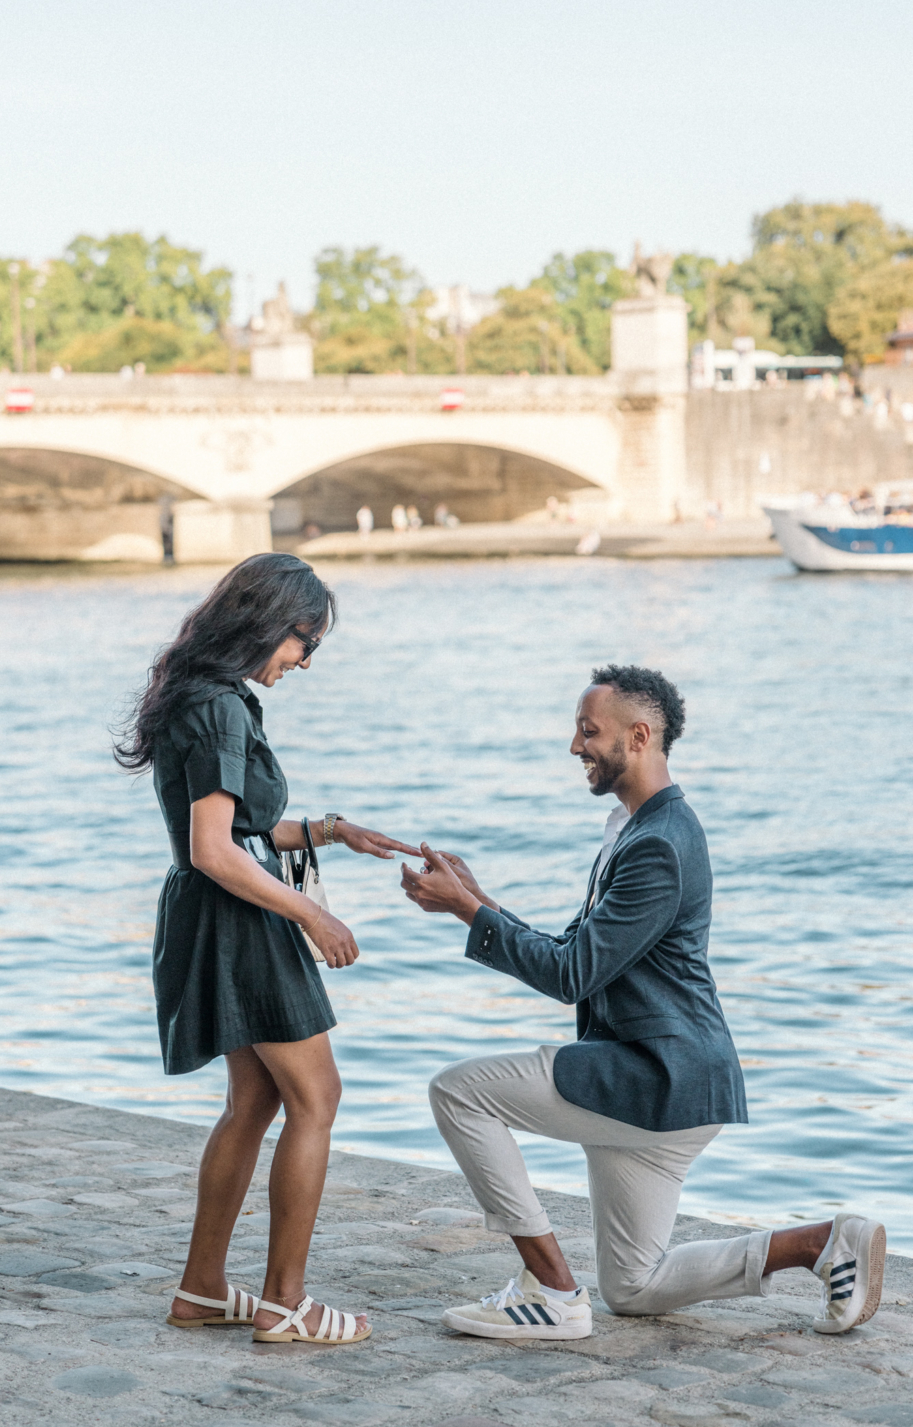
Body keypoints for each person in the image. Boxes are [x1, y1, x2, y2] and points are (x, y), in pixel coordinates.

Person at [402, 664, 885, 1341]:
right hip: (669, 1084)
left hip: (655, 1073)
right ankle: (821, 1243)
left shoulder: (657, 844)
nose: (575, 746)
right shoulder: (634, 830)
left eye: (587, 731)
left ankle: (549, 1287)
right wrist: (477, 900)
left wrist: (467, 916)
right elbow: (580, 952)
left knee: (459, 1093)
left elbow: (572, 974)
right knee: (634, 1288)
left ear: (638, 735)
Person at [116, 552, 420, 1345]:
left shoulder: (200, 695)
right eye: (302, 640)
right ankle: (288, 1304)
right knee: (318, 1099)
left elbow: (226, 833)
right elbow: (216, 850)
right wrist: (315, 918)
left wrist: (326, 831)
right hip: (238, 919)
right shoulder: (221, 708)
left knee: (252, 1103)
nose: (305, 659)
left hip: (209, 915)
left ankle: (203, 1290)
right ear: (265, 621)